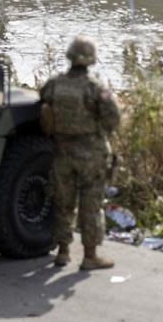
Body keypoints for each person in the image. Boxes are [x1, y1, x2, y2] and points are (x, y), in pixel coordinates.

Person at [39, 36, 120, 271]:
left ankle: (63, 252)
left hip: (62, 151)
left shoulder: (54, 84)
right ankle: (90, 256)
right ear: (91, 60)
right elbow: (113, 118)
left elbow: (43, 103)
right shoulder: (95, 88)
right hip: (91, 155)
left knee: (63, 203)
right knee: (91, 205)